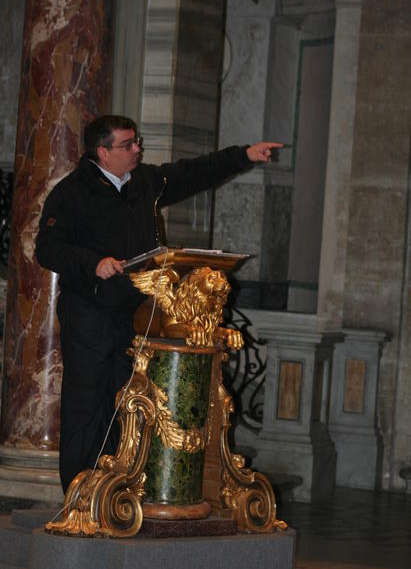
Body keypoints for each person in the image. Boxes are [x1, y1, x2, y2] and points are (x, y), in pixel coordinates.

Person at [35, 114, 282, 493]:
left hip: (137, 315)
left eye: (137, 142)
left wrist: (244, 154)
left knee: (129, 403)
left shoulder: (146, 182)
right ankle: (81, 493)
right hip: (90, 313)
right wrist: (93, 263)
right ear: (102, 151)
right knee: (87, 404)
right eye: (128, 145)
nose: (138, 150)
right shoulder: (72, 192)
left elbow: (194, 173)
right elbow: (47, 249)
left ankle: (120, 488)